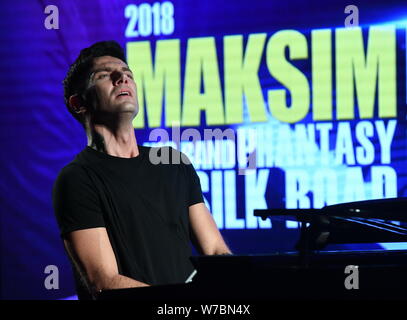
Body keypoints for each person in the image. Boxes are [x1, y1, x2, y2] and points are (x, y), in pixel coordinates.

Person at [53, 40, 231, 300]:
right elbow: (104, 281)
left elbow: (215, 251)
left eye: (128, 74)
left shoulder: (172, 161)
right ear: (79, 103)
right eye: (104, 75)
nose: (121, 78)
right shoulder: (77, 179)